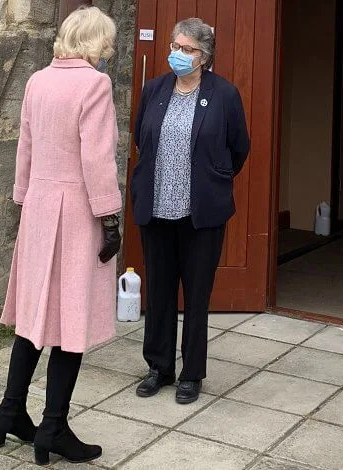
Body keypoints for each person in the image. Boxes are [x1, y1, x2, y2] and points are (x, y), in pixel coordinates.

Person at [0, 6, 122, 466]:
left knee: (34, 315)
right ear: (92, 42)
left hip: (40, 206)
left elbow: (24, 147)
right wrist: (110, 217)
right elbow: (98, 159)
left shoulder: (37, 81)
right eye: (106, 43)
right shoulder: (95, 84)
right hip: (76, 209)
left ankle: (8, 411)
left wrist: (23, 199)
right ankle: (52, 427)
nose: (109, 52)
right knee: (70, 319)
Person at [131, 18, 250, 404]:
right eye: (175, 46)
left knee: (197, 295)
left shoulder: (224, 94)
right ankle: (158, 367)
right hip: (157, 207)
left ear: (205, 56)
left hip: (201, 212)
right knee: (160, 290)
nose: (178, 55)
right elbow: (140, 137)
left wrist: (214, 177)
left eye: (187, 49)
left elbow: (239, 148)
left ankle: (191, 374)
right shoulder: (154, 90)